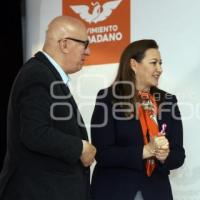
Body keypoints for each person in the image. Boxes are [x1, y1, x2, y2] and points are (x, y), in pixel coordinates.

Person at [0, 16, 97, 200]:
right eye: (85, 44)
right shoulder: (37, 74)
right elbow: (34, 133)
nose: (89, 51)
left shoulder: (47, 75)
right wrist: (80, 147)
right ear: (65, 44)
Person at [90, 39, 185, 200]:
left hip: (156, 192)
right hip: (115, 191)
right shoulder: (108, 98)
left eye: (160, 63)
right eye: (153, 63)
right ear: (134, 64)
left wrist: (165, 156)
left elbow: (179, 154)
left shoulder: (168, 100)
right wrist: (145, 151)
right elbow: (103, 153)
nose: (159, 69)